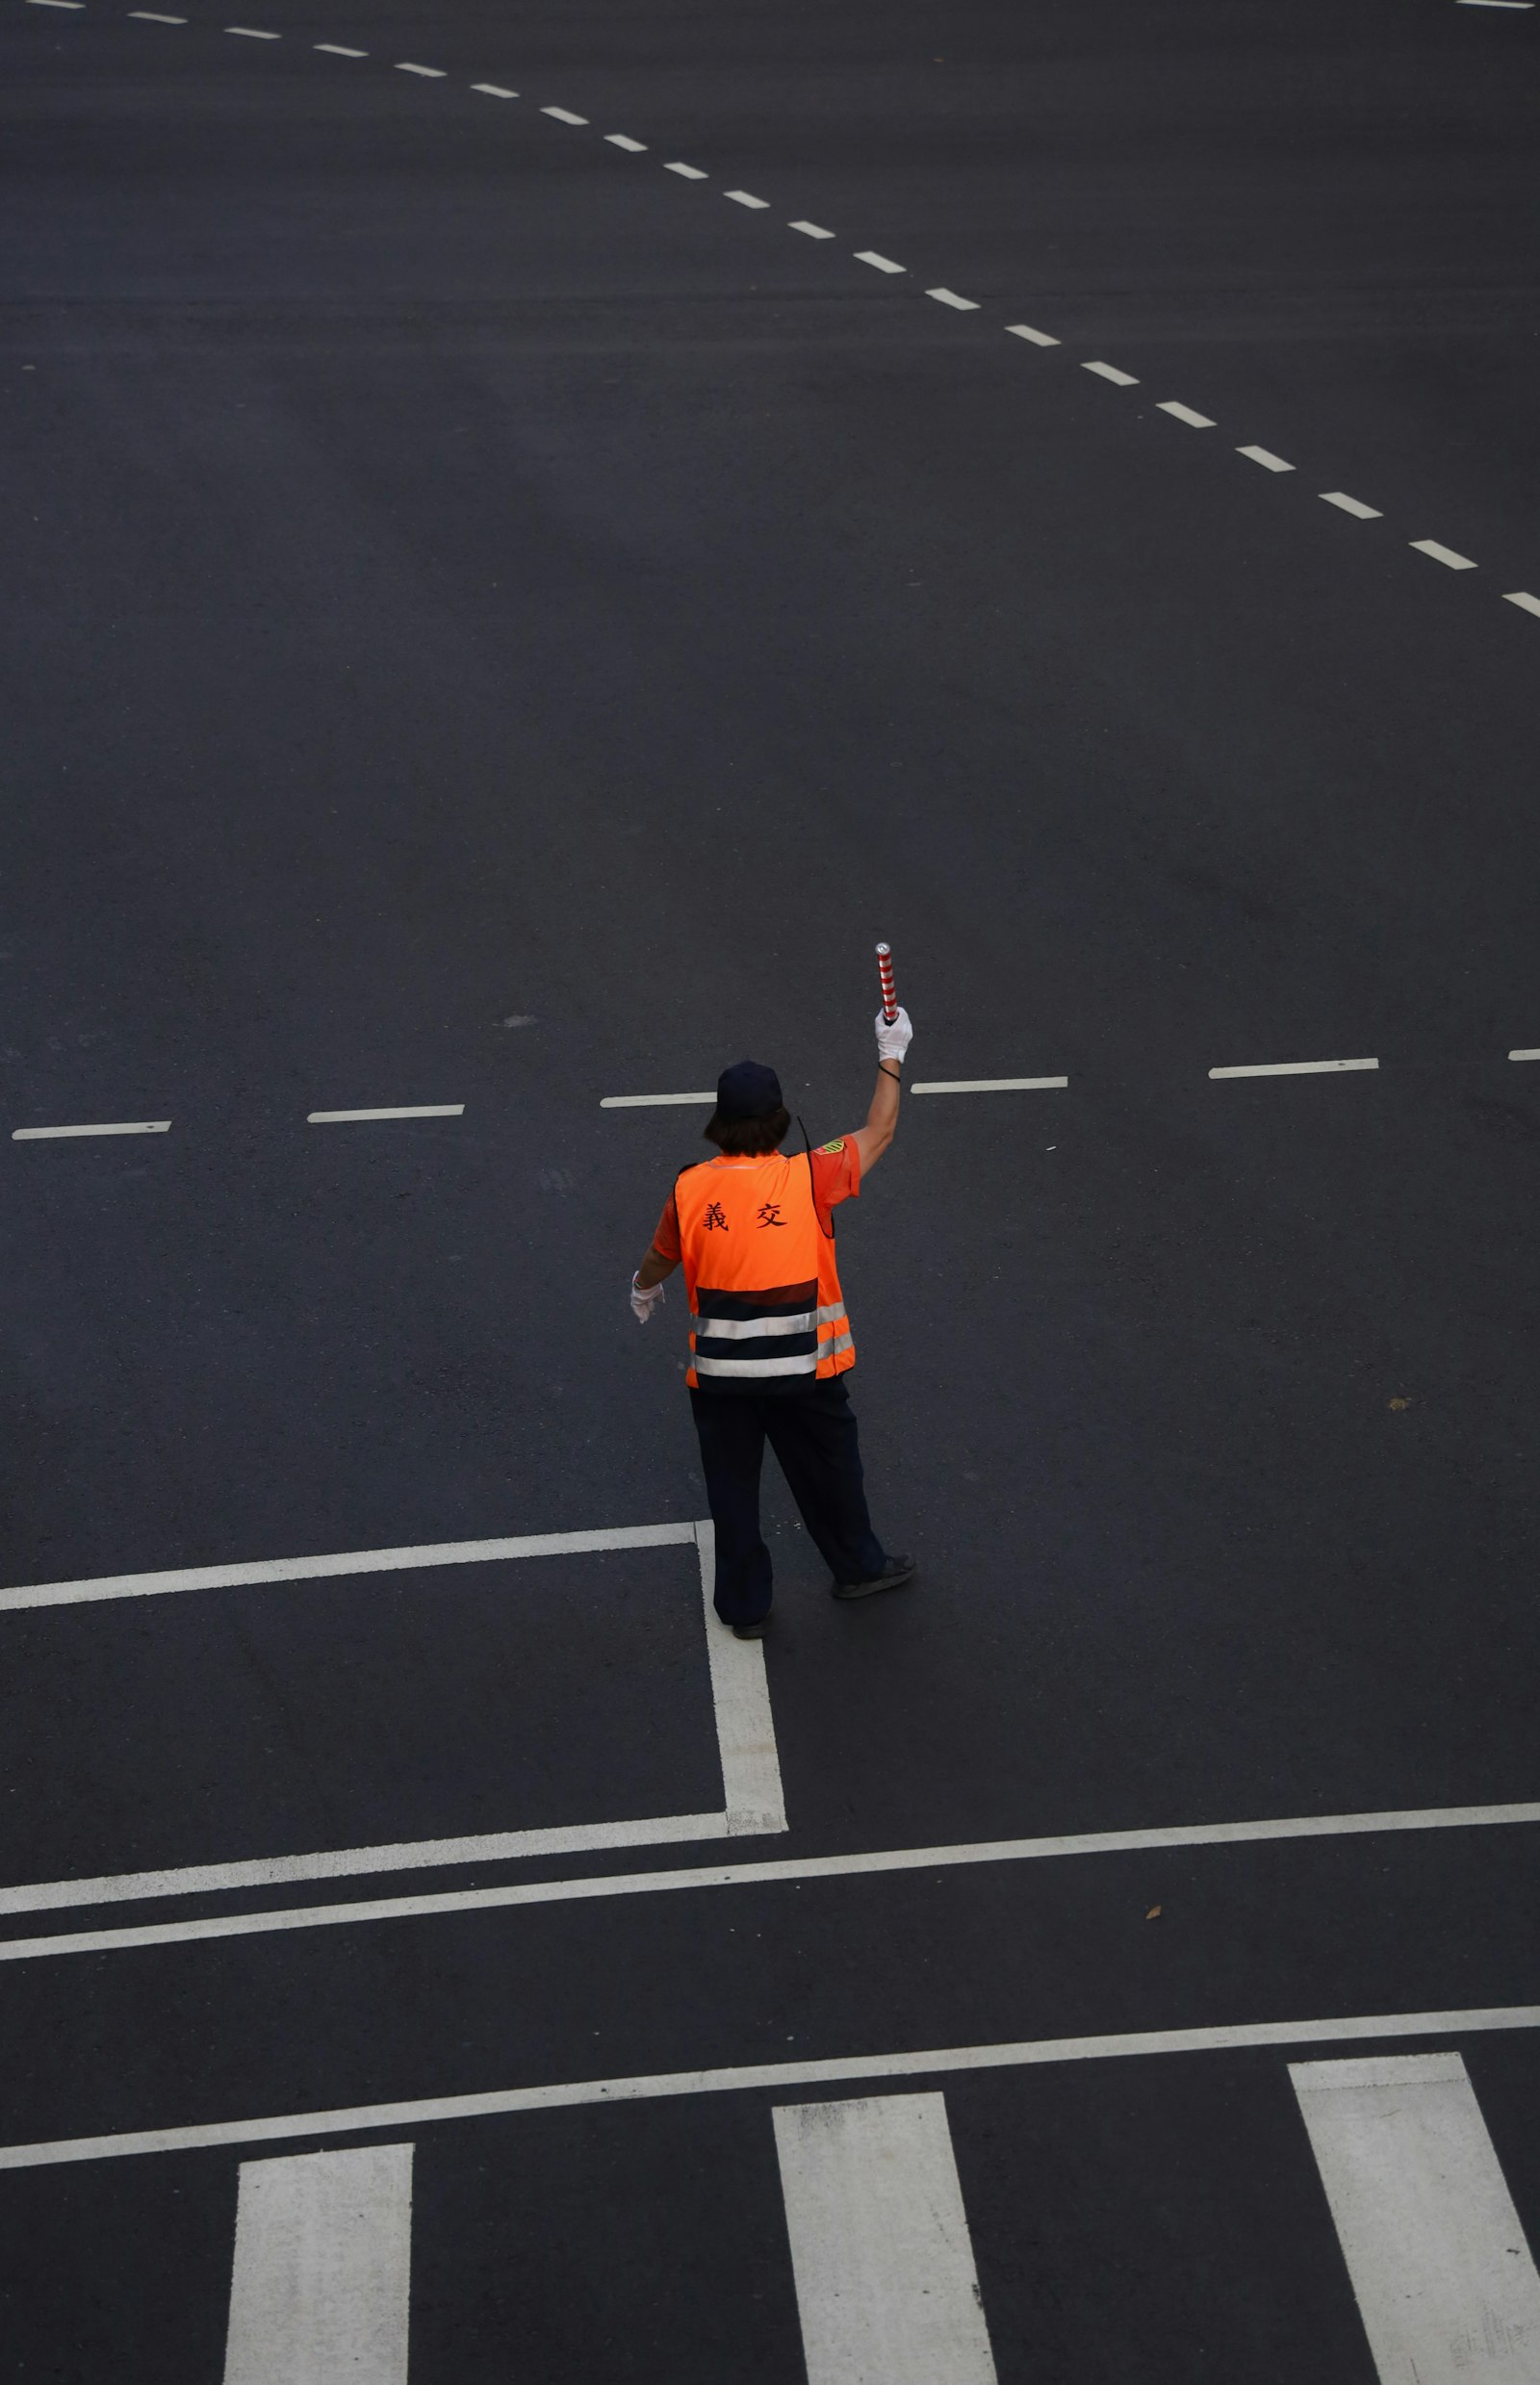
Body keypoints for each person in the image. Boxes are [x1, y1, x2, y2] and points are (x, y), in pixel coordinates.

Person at [629, 1005, 916, 1638]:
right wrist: (890, 1051)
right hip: (806, 1370)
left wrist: (644, 1287)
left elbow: (662, 1254)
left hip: (722, 1379)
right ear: (782, 1120)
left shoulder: (689, 1186)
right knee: (832, 1474)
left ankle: (744, 1605)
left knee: (732, 1493)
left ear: (719, 1126)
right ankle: (859, 1566)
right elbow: (881, 1129)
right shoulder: (812, 1174)